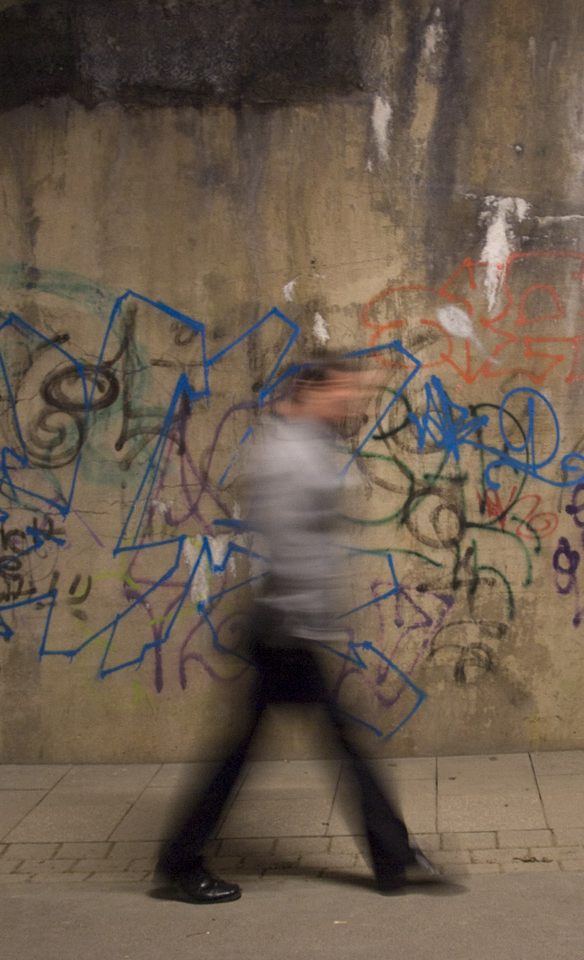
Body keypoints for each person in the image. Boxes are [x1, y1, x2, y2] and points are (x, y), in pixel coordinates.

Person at [156, 356, 434, 904]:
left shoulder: (301, 444)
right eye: (342, 394)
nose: (351, 405)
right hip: (286, 626)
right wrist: (308, 619)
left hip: (292, 624)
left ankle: (393, 856)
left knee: (325, 744)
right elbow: (289, 544)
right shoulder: (288, 452)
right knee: (256, 751)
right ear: (309, 390)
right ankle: (180, 862)